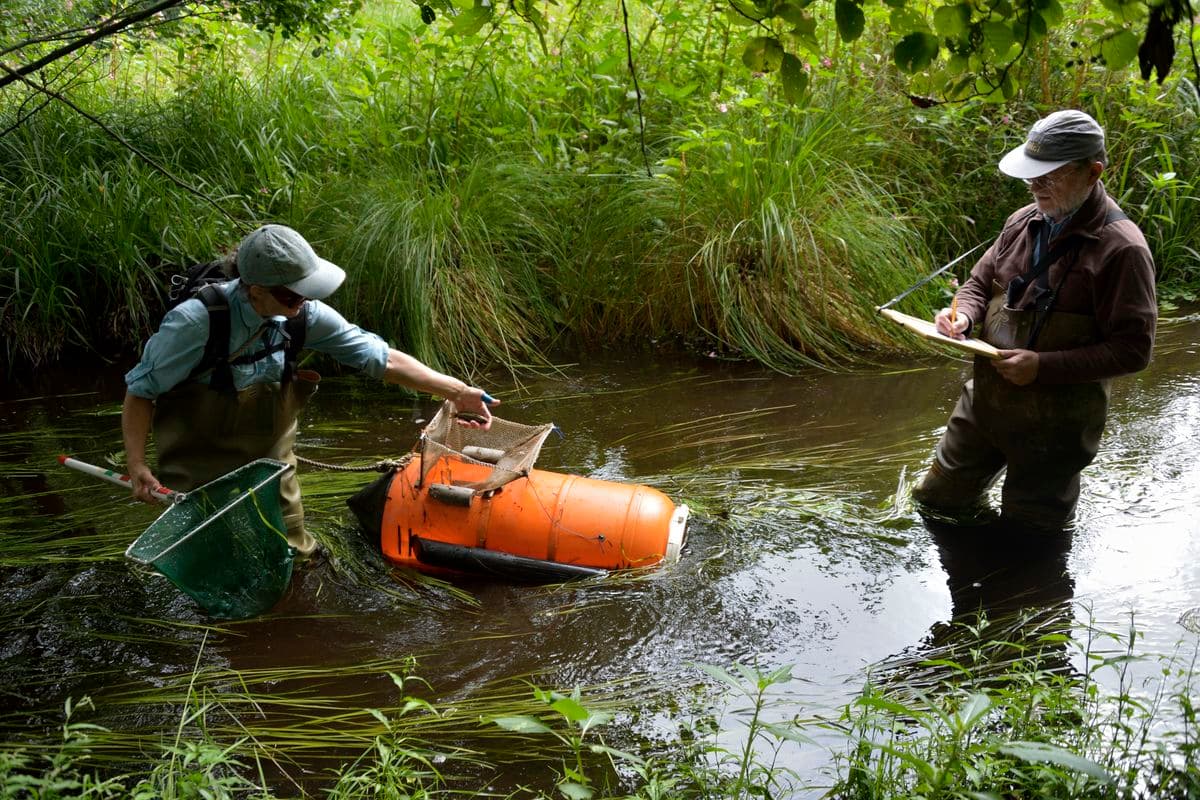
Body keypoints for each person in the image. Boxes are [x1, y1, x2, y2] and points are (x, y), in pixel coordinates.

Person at [122, 223, 497, 556]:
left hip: (271, 469)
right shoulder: (194, 323)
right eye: (292, 296)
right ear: (255, 291)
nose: (302, 305)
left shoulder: (304, 316)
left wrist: (457, 391)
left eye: (307, 294)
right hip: (197, 471)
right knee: (211, 559)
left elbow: (382, 359)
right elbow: (141, 391)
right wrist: (137, 465)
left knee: (294, 554)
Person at [911, 109, 1157, 531]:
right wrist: (963, 317)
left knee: (1032, 540)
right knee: (937, 503)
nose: (1033, 184)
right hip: (984, 404)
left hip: (1058, 425)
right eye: (1031, 173)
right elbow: (977, 283)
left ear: (1092, 172)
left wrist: (1042, 367)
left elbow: (1135, 351)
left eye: (1048, 175)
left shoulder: (1123, 250)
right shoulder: (1021, 222)